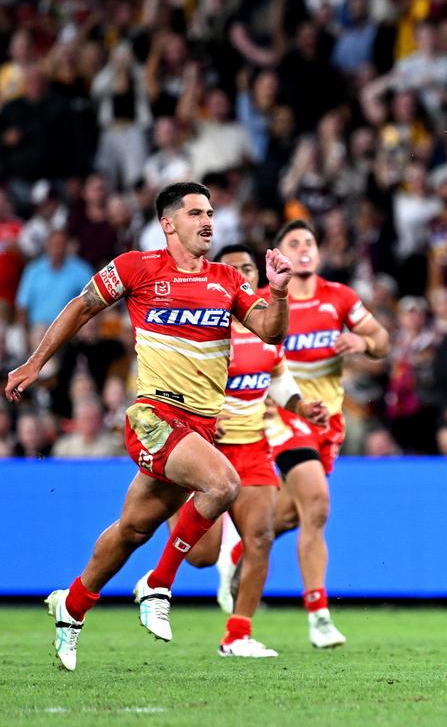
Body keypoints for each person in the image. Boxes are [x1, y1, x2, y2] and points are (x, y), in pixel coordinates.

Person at [5, 181, 293, 671]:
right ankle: (158, 584)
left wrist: (280, 291)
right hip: (154, 416)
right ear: (168, 223)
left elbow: (269, 330)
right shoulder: (136, 268)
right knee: (224, 483)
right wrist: (36, 364)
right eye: (196, 213)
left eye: (211, 213)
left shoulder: (226, 278)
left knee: (133, 531)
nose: (208, 222)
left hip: (197, 429)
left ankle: (70, 607)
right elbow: (81, 306)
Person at [163, 244, 328, 658]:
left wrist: (302, 407)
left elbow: (279, 379)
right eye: (232, 269)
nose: (241, 275)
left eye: (248, 268)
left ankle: (238, 634)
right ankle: (169, 501)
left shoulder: (267, 330)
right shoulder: (205, 329)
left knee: (261, 537)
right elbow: (172, 381)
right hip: (207, 447)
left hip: (252, 446)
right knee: (201, 556)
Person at [263, 220, 390, 648]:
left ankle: (243, 548)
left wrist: (362, 344)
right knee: (317, 504)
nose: (303, 249)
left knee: (297, 513)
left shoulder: (339, 297)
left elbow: (383, 340)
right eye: (293, 242)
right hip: (284, 416)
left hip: (328, 421)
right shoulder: (266, 304)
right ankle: (318, 615)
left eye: (309, 242)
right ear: (278, 255)